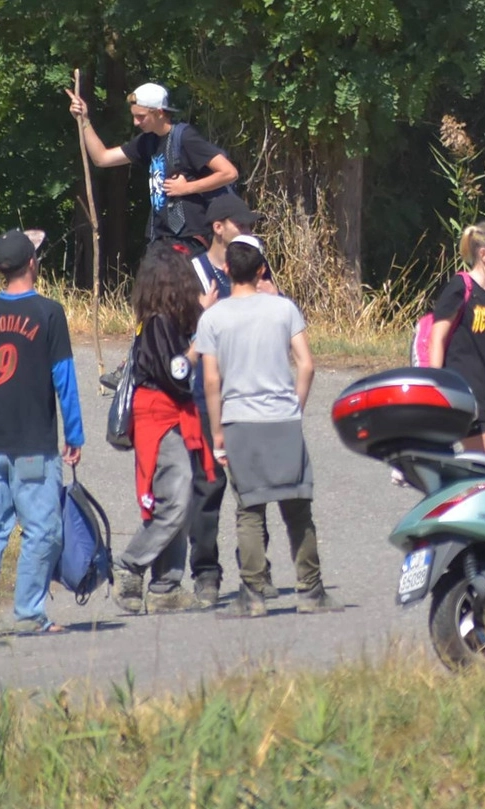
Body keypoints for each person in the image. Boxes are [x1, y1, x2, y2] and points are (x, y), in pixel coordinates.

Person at [195, 241, 337, 617]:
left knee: (249, 510)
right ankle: (311, 591)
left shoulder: (214, 318)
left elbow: (211, 380)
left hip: (239, 420)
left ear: (225, 271)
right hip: (282, 418)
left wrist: (218, 430)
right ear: (261, 271)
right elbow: (306, 365)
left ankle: (253, 595)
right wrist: (295, 406)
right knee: (297, 507)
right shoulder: (283, 309)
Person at [0, 229, 82, 637]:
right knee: (42, 529)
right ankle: (28, 611)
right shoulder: (48, 312)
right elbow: (64, 378)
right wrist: (74, 433)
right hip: (34, 446)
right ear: (32, 263)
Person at [113, 245, 216, 614]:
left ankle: (165, 585)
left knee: (177, 499)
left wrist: (200, 316)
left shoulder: (164, 322)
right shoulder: (157, 323)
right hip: (159, 414)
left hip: (169, 411)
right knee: (177, 497)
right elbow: (174, 372)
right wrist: (196, 348)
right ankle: (130, 563)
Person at [184, 196, 276, 605]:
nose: (248, 228)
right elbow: (181, 335)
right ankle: (205, 573)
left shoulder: (257, 267)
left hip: (251, 394)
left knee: (254, 489)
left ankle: (257, 570)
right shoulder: (194, 273)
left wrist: (275, 297)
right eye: (241, 223)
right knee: (207, 488)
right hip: (207, 399)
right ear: (219, 227)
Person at [65, 82, 238, 253]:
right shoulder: (147, 140)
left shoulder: (185, 137)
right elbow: (102, 158)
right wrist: (84, 121)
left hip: (190, 239)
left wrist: (187, 188)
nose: (135, 122)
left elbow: (229, 173)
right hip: (160, 237)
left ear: (159, 113)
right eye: (134, 116)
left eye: (141, 116)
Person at [427, 221, 485, 454]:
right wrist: (435, 393)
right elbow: (436, 339)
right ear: (484, 255)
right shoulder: (460, 286)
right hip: (466, 399)